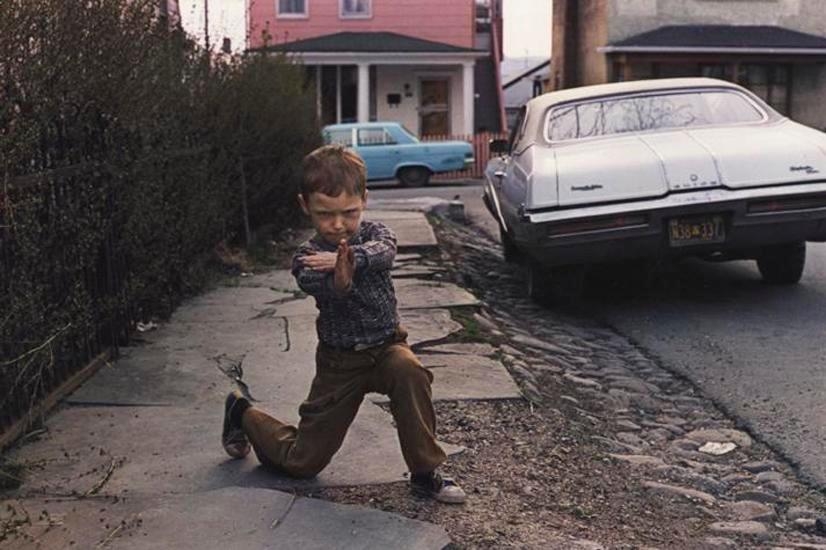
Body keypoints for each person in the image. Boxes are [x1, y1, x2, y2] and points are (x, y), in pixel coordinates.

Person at [221, 144, 466, 504]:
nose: (338, 225)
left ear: (364, 200)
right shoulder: (306, 257)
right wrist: (340, 278)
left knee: (409, 370)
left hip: (386, 347)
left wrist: (354, 259)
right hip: (340, 364)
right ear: (305, 206)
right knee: (303, 463)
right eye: (325, 214)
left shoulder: (374, 235)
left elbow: (386, 251)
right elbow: (321, 285)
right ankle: (242, 413)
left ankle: (425, 472)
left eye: (349, 212)